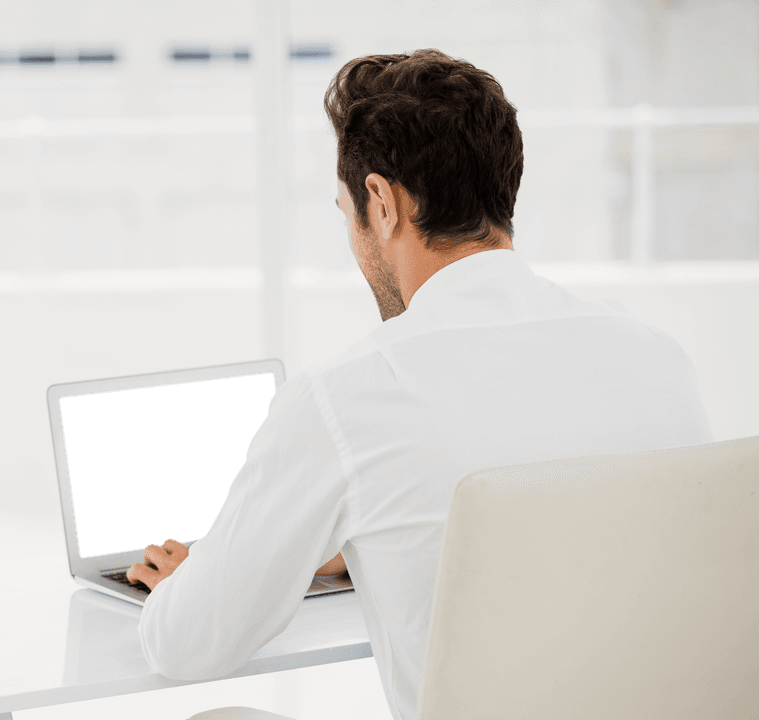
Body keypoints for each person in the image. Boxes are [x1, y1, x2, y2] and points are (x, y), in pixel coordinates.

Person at [126, 49, 713, 719]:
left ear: (381, 202)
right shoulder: (655, 356)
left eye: (346, 210)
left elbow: (189, 646)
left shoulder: (349, 396)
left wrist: (186, 588)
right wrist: (366, 536)